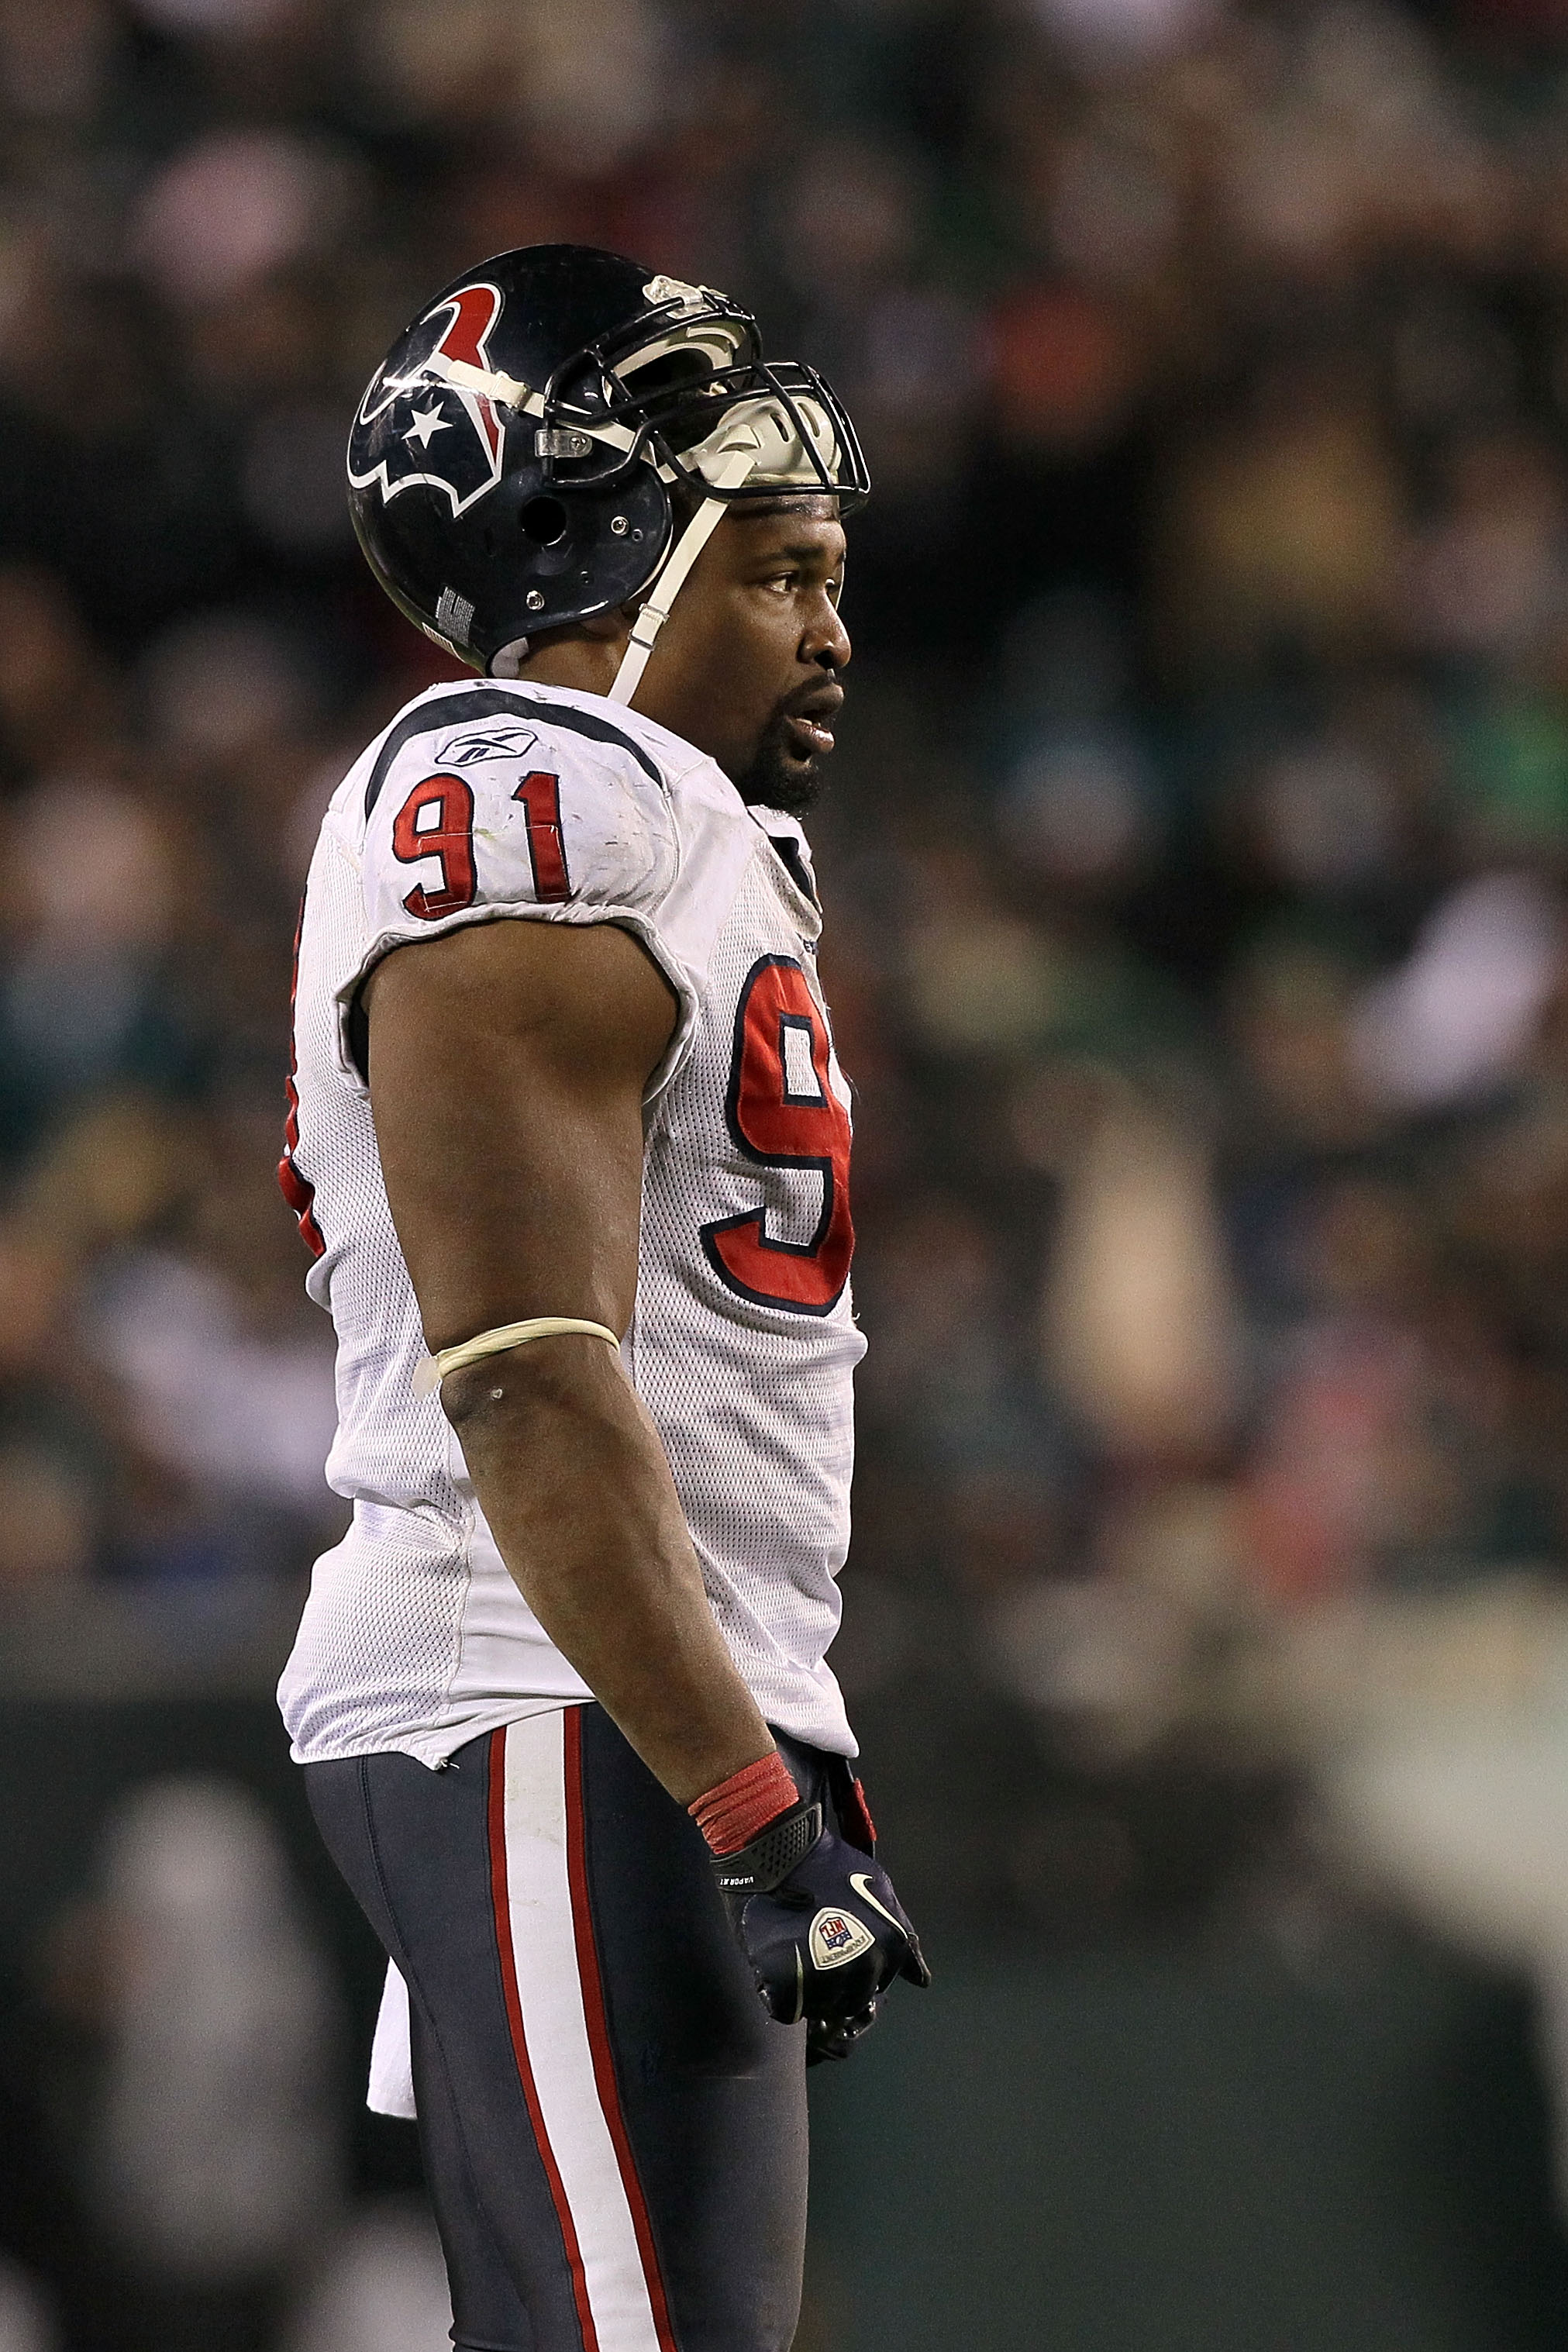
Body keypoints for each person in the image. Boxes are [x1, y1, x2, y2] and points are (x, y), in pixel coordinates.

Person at [275, 245, 928, 2352]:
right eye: (780, 570)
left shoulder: (676, 828)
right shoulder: (534, 795)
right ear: (605, 548)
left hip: (623, 1695)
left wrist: (761, 1738)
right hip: (549, 1690)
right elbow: (529, 1373)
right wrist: (742, 1792)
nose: (833, 627)